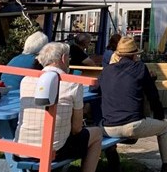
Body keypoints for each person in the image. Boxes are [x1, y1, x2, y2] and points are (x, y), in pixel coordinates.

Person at [98, 37, 167, 172]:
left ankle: (114, 163)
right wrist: (159, 116)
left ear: (118, 54)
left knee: (99, 127)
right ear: (135, 54)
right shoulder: (140, 68)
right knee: (163, 127)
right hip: (133, 125)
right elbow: (153, 95)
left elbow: (96, 89)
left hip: (109, 127)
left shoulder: (106, 71)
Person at [15, 42, 102, 172]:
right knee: (97, 133)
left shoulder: (26, 80)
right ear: (63, 58)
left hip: (21, 149)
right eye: (69, 58)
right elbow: (77, 129)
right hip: (55, 149)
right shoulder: (72, 83)